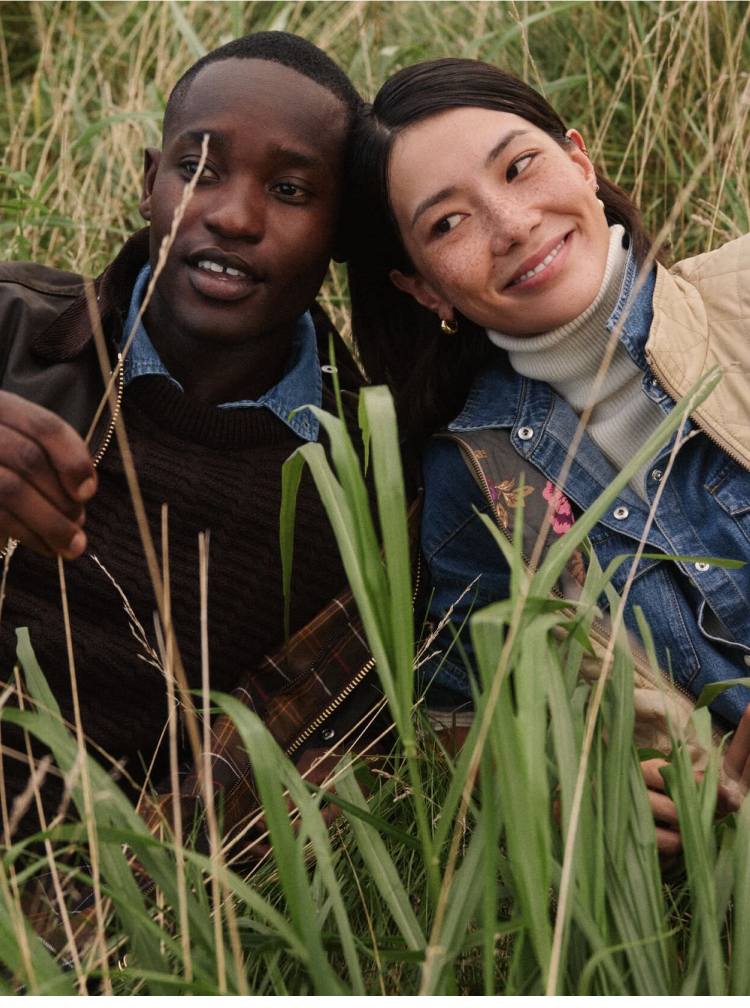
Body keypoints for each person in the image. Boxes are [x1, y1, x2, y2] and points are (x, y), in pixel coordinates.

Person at [345, 57, 750, 854]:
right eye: (447, 224)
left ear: (580, 161)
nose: (511, 224)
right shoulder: (477, 476)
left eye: (519, 166)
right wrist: (572, 796)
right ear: (423, 288)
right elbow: (461, 718)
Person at [0, 31, 382, 845]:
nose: (233, 216)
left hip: (98, 887)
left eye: (289, 189)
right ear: (150, 183)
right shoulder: (12, 328)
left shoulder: (365, 481)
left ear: (343, 231)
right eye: (197, 169)